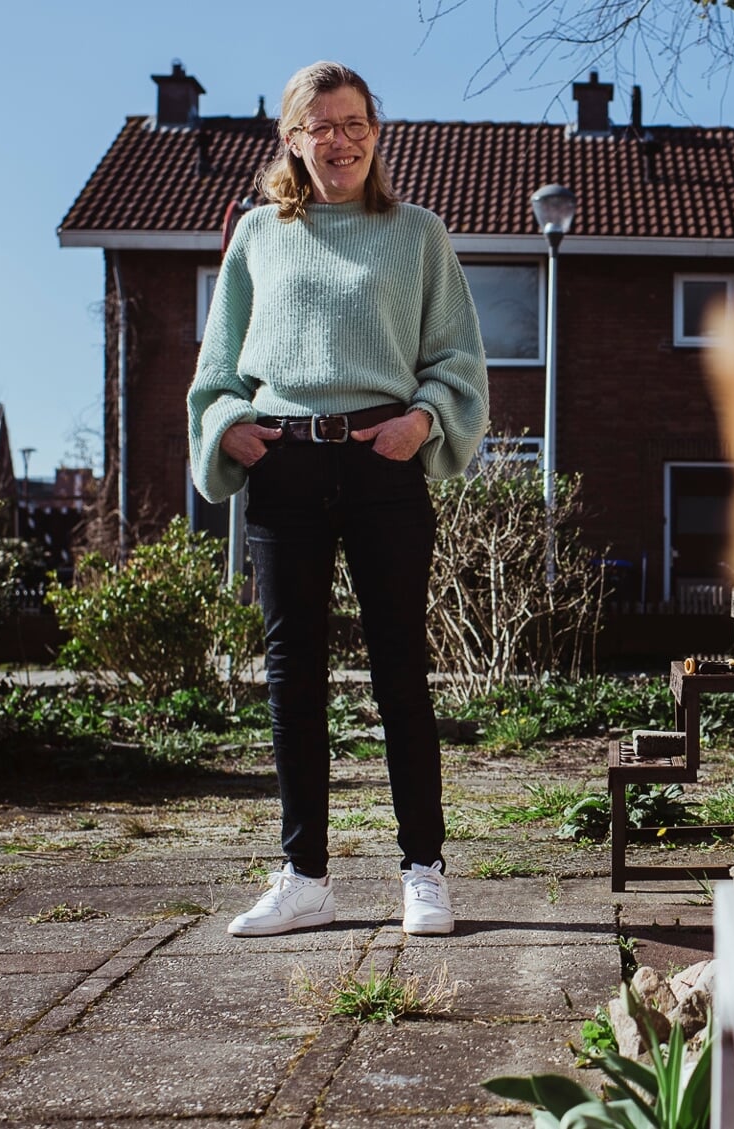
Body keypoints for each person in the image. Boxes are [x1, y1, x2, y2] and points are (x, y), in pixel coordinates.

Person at [186, 61, 489, 937]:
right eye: (322, 125)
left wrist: (424, 419)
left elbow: (459, 360)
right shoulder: (255, 235)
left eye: (356, 122)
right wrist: (229, 426)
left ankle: (424, 870)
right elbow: (218, 370)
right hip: (286, 468)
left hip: (383, 465)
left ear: (375, 132)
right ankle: (304, 875)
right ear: (292, 139)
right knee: (293, 675)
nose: (342, 138)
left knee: (400, 666)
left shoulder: (417, 233)